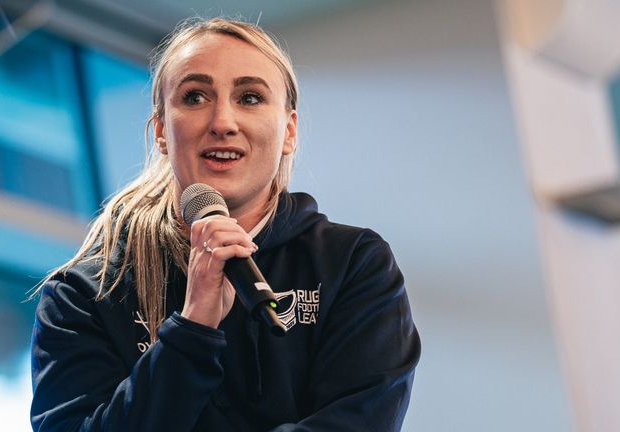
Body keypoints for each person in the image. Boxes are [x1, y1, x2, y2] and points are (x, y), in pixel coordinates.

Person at [30, 17, 420, 432]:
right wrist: (192, 328)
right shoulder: (85, 294)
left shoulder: (353, 264)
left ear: (288, 131)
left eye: (250, 97)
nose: (222, 122)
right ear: (161, 130)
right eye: (195, 96)